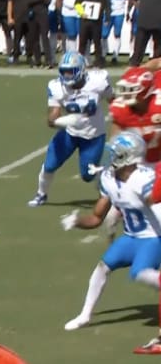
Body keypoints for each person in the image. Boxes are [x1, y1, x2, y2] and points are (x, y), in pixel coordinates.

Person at [60, 131, 161, 331]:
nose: (111, 156)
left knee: (139, 273)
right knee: (102, 268)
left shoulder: (144, 179)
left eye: (117, 153)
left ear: (129, 157)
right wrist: (77, 221)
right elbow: (97, 217)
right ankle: (85, 315)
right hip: (131, 237)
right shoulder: (108, 177)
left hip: (153, 237)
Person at [27, 51, 113, 207]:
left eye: (70, 71)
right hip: (70, 134)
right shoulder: (57, 87)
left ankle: (108, 175)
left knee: (87, 176)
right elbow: (53, 115)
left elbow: (113, 100)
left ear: (81, 69)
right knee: (49, 165)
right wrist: (60, 121)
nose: (66, 75)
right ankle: (41, 194)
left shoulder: (98, 81)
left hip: (93, 136)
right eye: (64, 71)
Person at [75, 0, 111, 68]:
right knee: (82, 42)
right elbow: (77, 3)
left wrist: (107, 18)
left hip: (97, 21)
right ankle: (80, 63)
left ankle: (98, 63)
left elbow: (108, 5)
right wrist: (82, 13)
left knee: (97, 42)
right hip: (85, 21)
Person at [128, 0, 161, 66]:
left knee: (159, 50)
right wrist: (134, 4)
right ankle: (134, 67)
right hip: (144, 23)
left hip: (159, 23)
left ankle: (156, 70)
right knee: (138, 49)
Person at [101, 0, 131, 65]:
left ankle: (115, 56)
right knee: (104, 35)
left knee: (117, 34)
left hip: (119, 11)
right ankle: (103, 55)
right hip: (107, 11)